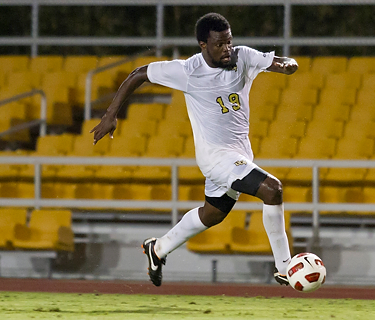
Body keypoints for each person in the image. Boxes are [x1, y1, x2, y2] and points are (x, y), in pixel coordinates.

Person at [91, 12, 298, 287]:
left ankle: (159, 248)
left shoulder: (243, 56)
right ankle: (285, 266)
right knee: (273, 190)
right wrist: (110, 115)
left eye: (229, 42)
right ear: (203, 45)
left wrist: (288, 65)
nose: (227, 49)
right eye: (219, 44)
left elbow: (279, 61)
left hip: (239, 154)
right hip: (215, 157)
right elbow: (138, 74)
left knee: (212, 214)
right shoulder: (188, 71)